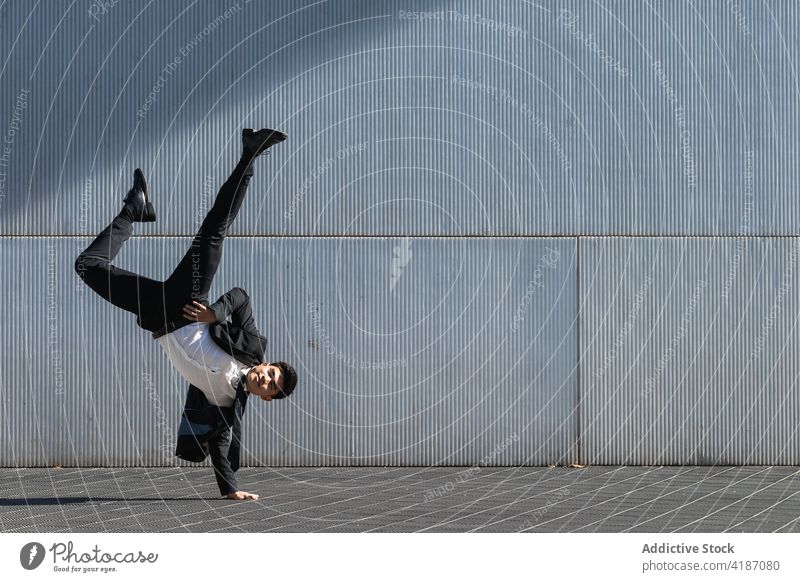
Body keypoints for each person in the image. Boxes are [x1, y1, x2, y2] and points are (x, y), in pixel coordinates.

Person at [74, 128, 298, 500]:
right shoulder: (254, 345)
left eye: (270, 387)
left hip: (158, 316)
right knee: (214, 230)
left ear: (266, 399)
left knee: (87, 266)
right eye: (271, 373)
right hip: (189, 302)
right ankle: (250, 155)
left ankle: (134, 209)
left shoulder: (228, 403)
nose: (266, 379)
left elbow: (220, 443)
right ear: (268, 364)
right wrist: (214, 314)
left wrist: (230, 490)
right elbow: (241, 297)